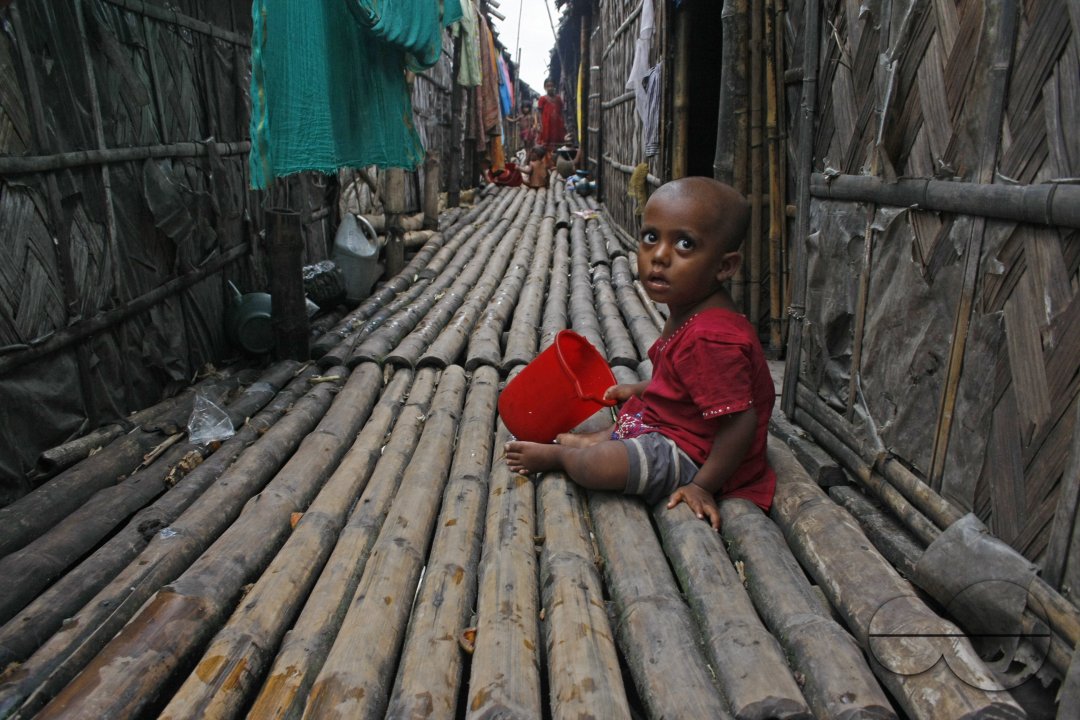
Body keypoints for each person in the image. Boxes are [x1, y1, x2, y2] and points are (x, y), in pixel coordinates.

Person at [505, 177, 776, 530]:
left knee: (598, 466)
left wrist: (702, 485)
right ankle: (594, 441)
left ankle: (563, 458)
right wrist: (640, 389)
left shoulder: (712, 338)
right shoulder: (690, 309)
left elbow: (741, 422)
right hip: (681, 425)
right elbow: (686, 384)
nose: (659, 256)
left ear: (724, 266)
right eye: (650, 237)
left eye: (684, 244)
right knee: (634, 410)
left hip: (697, 453)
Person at [536, 78, 566, 158]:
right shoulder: (542, 99)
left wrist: (563, 123)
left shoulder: (558, 99)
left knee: (558, 142)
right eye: (548, 86)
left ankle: (557, 159)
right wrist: (539, 124)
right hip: (546, 124)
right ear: (545, 87)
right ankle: (547, 159)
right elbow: (539, 112)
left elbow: (562, 111)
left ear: (554, 86)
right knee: (546, 142)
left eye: (551, 86)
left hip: (557, 124)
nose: (550, 88)